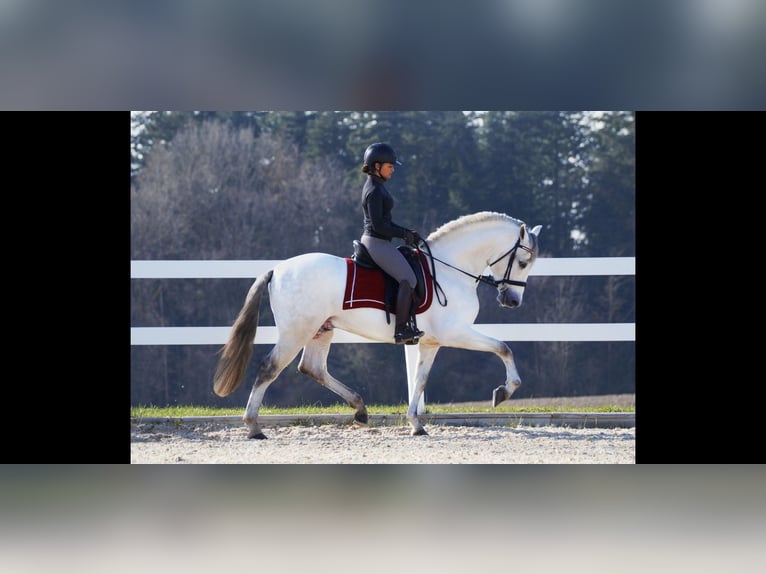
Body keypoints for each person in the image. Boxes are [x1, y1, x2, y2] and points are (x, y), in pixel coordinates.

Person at [359, 142, 425, 344]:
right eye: (390, 166)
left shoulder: (377, 187)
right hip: (376, 242)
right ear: (376, 166)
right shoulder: (374, 191)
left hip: (380, 241)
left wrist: (406, 232)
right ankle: (401, 330)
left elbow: (385, 222)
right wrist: (404, 234)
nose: (393, 169)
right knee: (409, 279)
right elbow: (379, 226)